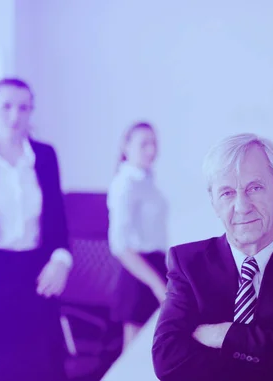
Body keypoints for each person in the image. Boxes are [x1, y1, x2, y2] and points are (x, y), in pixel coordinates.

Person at [152, 133, 273, 381]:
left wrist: (223, 335)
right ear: (213, 202)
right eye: (227, 193)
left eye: (254, 188)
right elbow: (167, 362)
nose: (242, 206)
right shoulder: (188, 263)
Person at [0, 78, 72, 381]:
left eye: (23, 108)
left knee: (44, 364)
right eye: (6, 106)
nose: (15, 116)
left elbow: (59, 221)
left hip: (38, 272)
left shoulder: (45, 156)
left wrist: (62, 260)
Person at [107, 122, 168, 349]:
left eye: (154, 143)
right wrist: (157, 285)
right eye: (144, 144)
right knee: (134, 355)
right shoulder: (125, 184)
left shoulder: (147, 181)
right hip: (139, 275)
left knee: (155, 351)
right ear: (126, 147)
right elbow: (120, 247)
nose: (151, 150)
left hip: (156, 266)